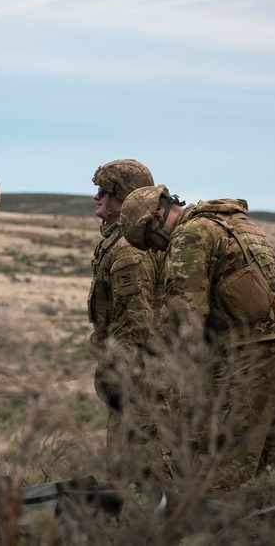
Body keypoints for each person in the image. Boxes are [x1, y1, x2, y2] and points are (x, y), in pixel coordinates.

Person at [119, 186, 275, 501]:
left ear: (156, 217)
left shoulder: (189, 235)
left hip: (251, 352)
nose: (153, 250)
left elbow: (185, 315)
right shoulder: (238, 223)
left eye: (149, 240)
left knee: (225, 460)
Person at [87, 159, 164, 481]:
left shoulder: (129, 249)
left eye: (104, 191)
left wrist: (121, 374)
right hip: (134, 372)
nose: (97, 198)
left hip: (138, 378)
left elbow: (137, 322)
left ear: (124, 197)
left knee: (132, 470)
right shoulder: (122, 242)